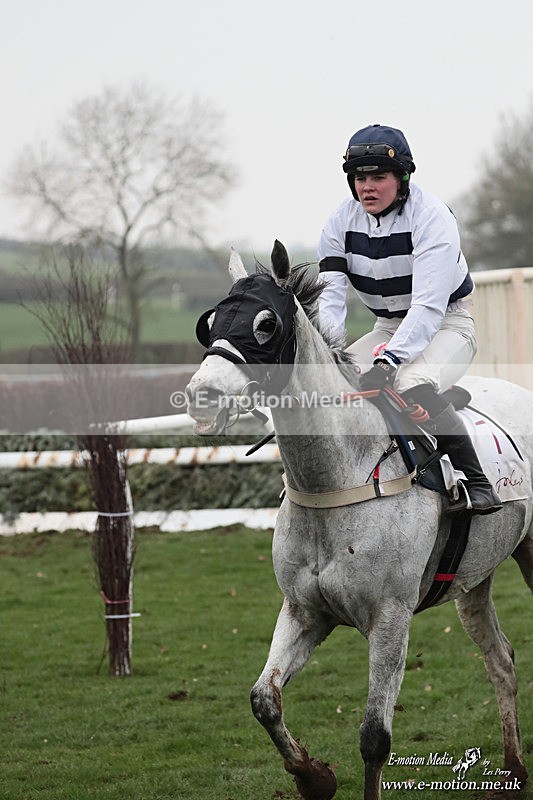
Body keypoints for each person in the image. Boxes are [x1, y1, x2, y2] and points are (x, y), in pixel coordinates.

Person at [317, 123, 502, 516]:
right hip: (386, 327)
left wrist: (388, 362)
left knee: (410, 382)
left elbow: (428, 307)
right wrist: (329, 357)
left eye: (378, 177)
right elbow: (330, 301)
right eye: (359, 177)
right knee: (339, 385)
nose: (367, 187)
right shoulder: (338, 223)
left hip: (447, 324)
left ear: (402, 178)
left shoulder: (433, 216)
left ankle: (479, 483)